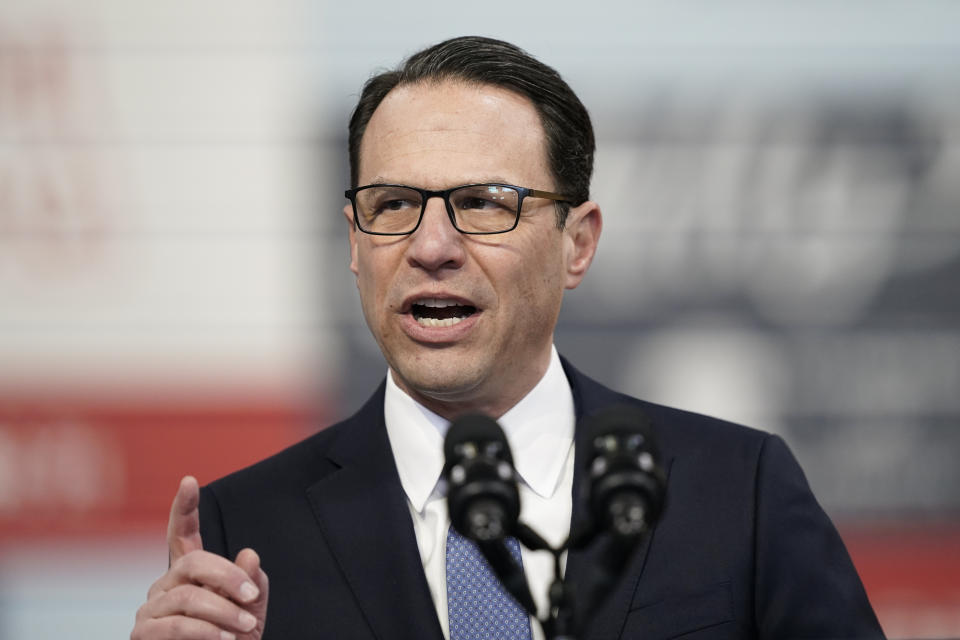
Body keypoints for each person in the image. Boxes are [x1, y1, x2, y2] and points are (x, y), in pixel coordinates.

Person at [131, 36, 884, 640]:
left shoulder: (736, 490)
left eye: (483, 203)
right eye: (392, 203)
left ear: (577, 244)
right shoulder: (249, 534)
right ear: (355, 244)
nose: (431, 247)